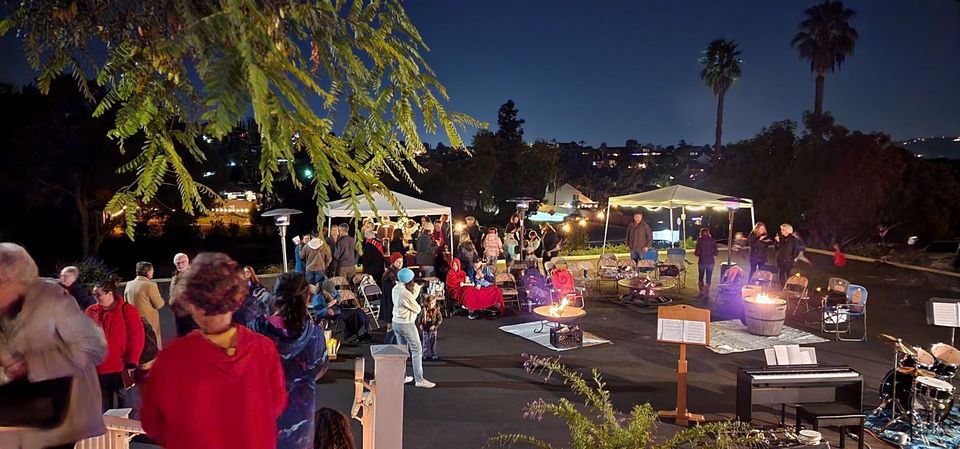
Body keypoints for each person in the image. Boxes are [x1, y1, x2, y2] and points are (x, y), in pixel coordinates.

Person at [142, 252, 287, 449]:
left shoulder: (173, 358)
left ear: (191, 303)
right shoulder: (263, 349)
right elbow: (277, 403)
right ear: (236, 298)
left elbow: (153, 423)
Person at [0, 243, 108, 449]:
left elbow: (93, 346)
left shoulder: (51, 297)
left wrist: (30, 365)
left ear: (8, 278)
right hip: (16, 415)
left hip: (57, 412)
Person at [250, 272, 327, 449]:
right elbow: (319, 370)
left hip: (262, 420)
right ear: (307, 298)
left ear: (275, 297)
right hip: (300, 425)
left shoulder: (255, 330)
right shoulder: (314, 334)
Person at [86, 276, 146, 412]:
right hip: (98, 367)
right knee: (102, 406)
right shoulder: (91, 311)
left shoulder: (127, 310)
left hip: (121, 367)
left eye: (98, 294)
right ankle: (107, 433)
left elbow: (136, 337)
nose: (95, 297)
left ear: (110, 294)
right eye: (94, 294)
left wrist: (132, 362)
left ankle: (125, 432)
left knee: (125, 405)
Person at [391, 268, 435, 388]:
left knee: (402, 351)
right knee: (417, 350)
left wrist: (417, 288)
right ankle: (419, 379)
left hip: (396, 323)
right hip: (406, 324)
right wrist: (416, 290)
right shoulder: (405, 293)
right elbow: (417, 308)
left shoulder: (396, 289)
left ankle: (403, 376)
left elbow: (409, 299)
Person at [124, 262, 166, 349]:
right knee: (151, 349)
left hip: (134, 322)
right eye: (152, 270)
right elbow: (159, 304)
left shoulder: (129, 284)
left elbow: (126, 304)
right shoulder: (150, 285)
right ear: (147, 271)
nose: (153, 272)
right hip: (149, 324)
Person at [170, 252, 198, 337]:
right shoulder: (175, 276)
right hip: (179, 314)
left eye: (183, 262)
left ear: (188, 262)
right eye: (178, 263)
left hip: (190, 315)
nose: (180, 264)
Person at [694, 228, 718, 301]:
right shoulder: (712, 240)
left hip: (702, 261)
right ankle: (706, 293)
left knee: (701, 277)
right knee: (708, 277)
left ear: (701, 233)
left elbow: (696, 253)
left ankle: (701, 292)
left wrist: (700, 252)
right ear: (708, 233)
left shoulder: (700, 240)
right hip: (710, 261)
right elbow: (716, 253)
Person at [419, 295, 443, 361]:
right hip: (425, 328)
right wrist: (420, 324)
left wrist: (435, 325)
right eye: (429, 303)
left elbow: (440, 319)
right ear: (427, 303)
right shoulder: (424, 310)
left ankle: (434, 355)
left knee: (433, 342)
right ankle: (424, 355)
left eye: (432, 303)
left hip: (433, 329)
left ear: (435, 303)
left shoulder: (437, 311)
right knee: (425, 342)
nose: (431, 305)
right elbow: (420, 317)